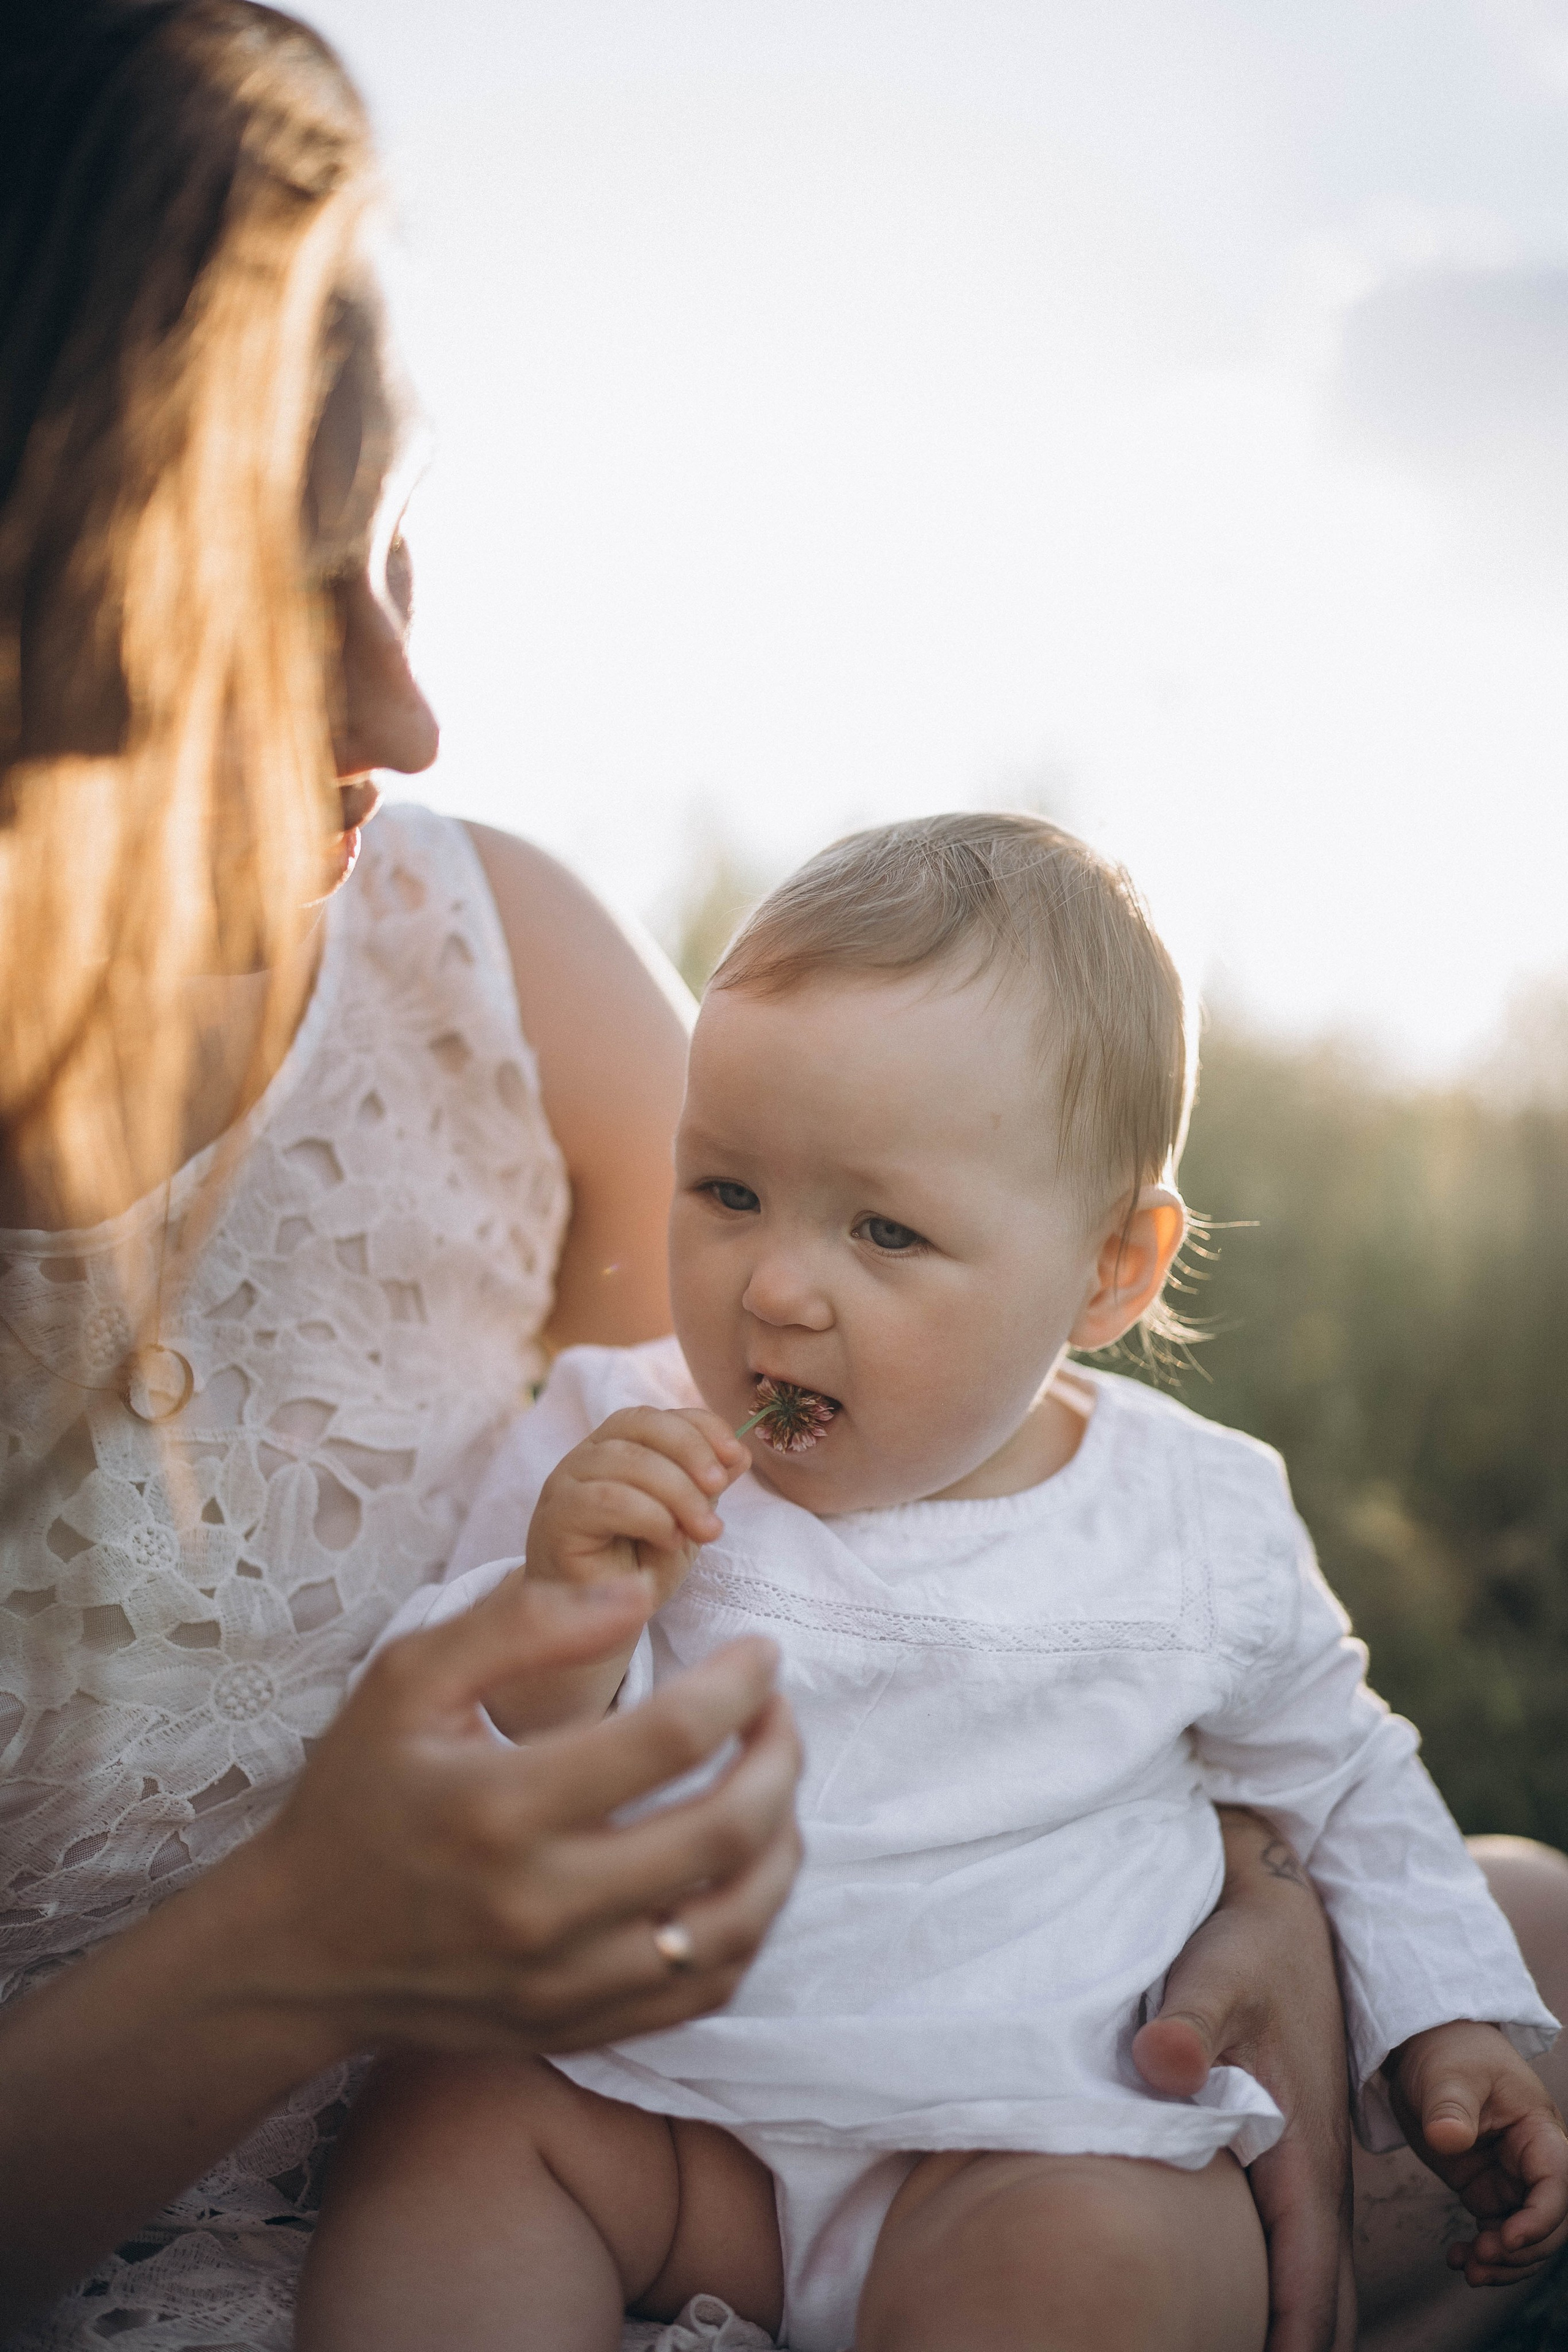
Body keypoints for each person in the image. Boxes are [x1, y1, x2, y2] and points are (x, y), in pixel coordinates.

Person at [0, 7, 1564, 2352]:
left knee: (1520, 1931)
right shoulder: (620, 1419)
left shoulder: (459, 945)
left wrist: (1242, 1879)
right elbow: (533, 1627)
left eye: (402, 548)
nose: (409, 716)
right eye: (268, 604)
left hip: (990, 2098)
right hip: (508, 2153)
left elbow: (1195, 1641)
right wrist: (310, 1937)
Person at [296, 815, 1568, 2352]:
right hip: (652, 2105)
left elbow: (1345, 1781)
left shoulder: (1188, 1519)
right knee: (448, 2133)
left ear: (1109, 1269)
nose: (773, 1283)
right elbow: (435, 1751)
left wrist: (1449, 2009)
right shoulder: (603, 1436)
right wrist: (560, 1627)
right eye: (725, 1192)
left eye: (882, 1228)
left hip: (1021, 2129)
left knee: (1103, 2259)